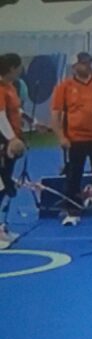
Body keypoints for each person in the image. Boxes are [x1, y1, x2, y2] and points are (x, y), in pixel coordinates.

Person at [50, 53, 92, 226]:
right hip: (75, 139)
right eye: (83, 64)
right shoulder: (64, 87)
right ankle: (72, 210)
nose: (87, 66)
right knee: (73, 175)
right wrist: (61, 136)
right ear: (75, 67)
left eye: (89, 63)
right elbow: (56, 114)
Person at [0, 54, 27, 249]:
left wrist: (33, 123)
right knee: (1, 185)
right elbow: (0, 116)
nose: (20, 70)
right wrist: (12, 139)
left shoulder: (11, 87)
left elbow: (15, 110)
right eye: (18, 67)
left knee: (5, 184)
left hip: (9, 142)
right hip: (3, 143)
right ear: (11, 68)